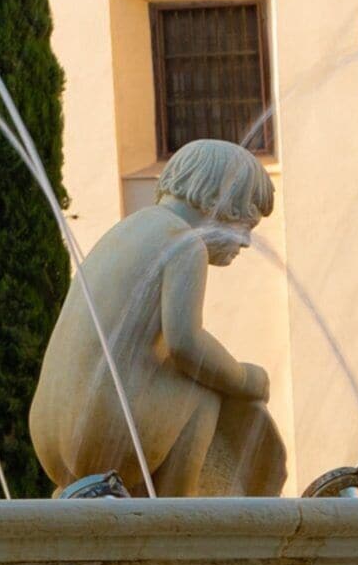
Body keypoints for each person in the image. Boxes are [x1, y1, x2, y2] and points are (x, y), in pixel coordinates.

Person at [29, 138, 286, 497]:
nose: (245, 242)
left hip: (49, 438)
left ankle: (84, 494)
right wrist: (246, 378)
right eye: (246, 224)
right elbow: (186, 345)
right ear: (220, 203)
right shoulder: (185, 244)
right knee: (204, 387)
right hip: (100, 434)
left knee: (172, 379)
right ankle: (174, 515)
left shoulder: (126, 231)